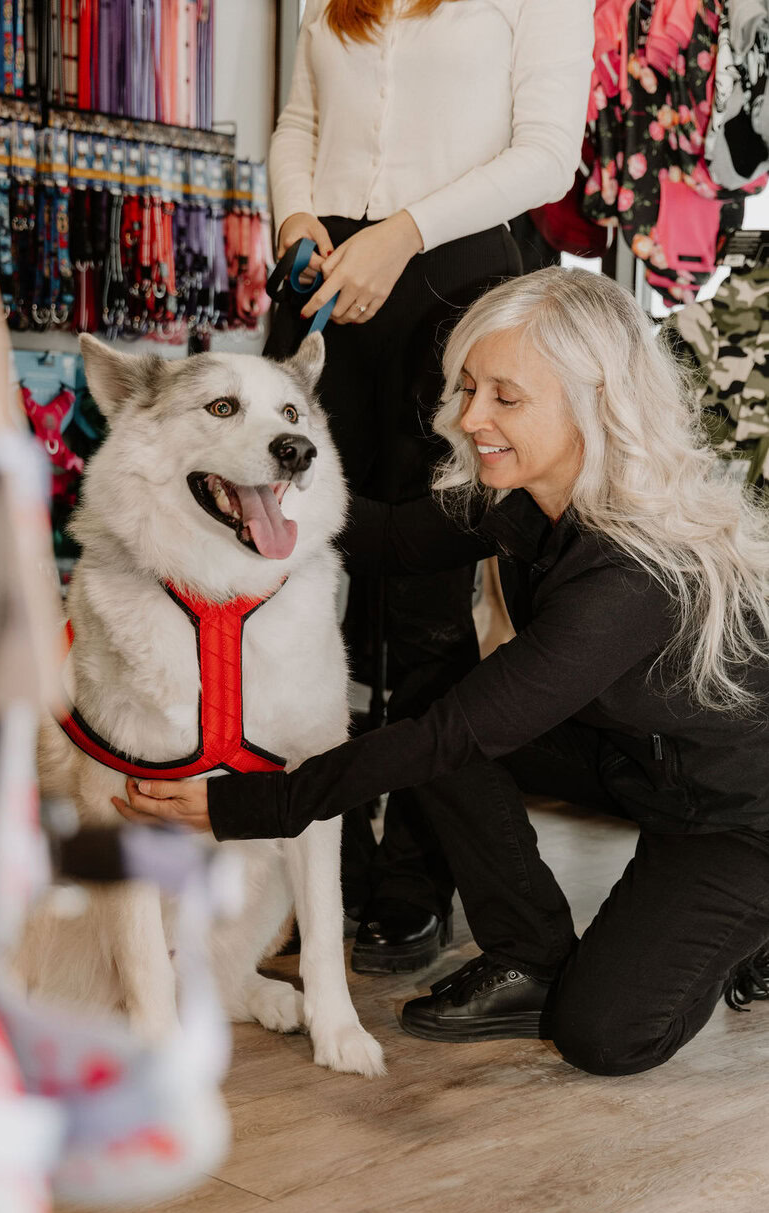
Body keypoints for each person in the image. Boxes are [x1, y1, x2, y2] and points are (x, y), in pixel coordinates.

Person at [114, 266, 769, 1078]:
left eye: (504, 396)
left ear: (591, 398)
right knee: (429, 716)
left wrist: (245, 804)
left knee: (603, 1037)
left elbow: (457, 735)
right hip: (635, 760)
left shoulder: (629, 576)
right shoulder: (524, 496)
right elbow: (381, 538)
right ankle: (530, 954)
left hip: (738, 816)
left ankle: (749, 931)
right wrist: (240, 500)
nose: (470, 419)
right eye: (466, 389)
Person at [258, 0, 595, 972]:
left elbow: (546, 157)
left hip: (453, 287)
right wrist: (296, 218)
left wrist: (402, 231)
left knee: (426, 607)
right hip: (321, 281)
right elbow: (299, 124)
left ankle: (413, 875)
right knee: (289, 578)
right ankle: (319, 864)